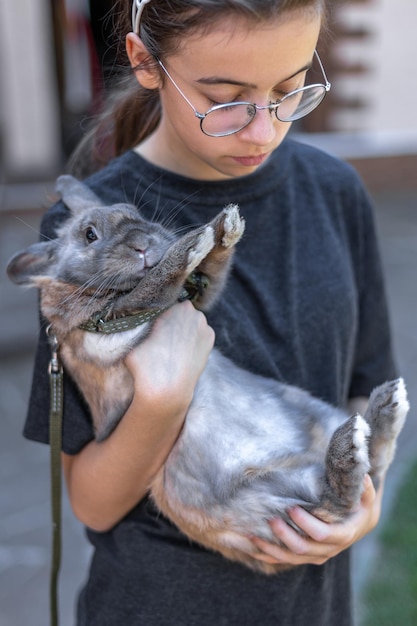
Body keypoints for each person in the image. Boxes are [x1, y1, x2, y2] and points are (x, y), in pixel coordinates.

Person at [24, 0, 397, 624]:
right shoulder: (84, 241)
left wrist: (367, 504)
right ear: (146, 61)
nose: (263, 130)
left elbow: (365, 388)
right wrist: (160, 403)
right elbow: (90, 504)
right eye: (225, 98)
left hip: (311, 609)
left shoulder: (336, 193)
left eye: (290, 88)